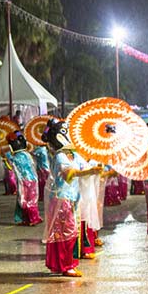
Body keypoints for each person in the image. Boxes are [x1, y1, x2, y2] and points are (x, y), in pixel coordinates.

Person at [42, 119, 102, 277]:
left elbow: (86, 167)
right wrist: (88, 172)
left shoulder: (73, 154)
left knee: (69, 231)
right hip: (61, 198)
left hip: (73, 198)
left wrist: (97, 167)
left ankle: (63, 264)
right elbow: (69, 174)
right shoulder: (61, 155)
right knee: (65, 232)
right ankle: (66, 265)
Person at [5, 131, 42, 226]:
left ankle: (33, 219)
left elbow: (11, 167)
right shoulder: (26, 154)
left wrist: (7, 158)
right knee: (28, 199)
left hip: (25, 181)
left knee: (26, 200)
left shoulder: (18, 156)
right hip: (32, 180)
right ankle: (27, 219)